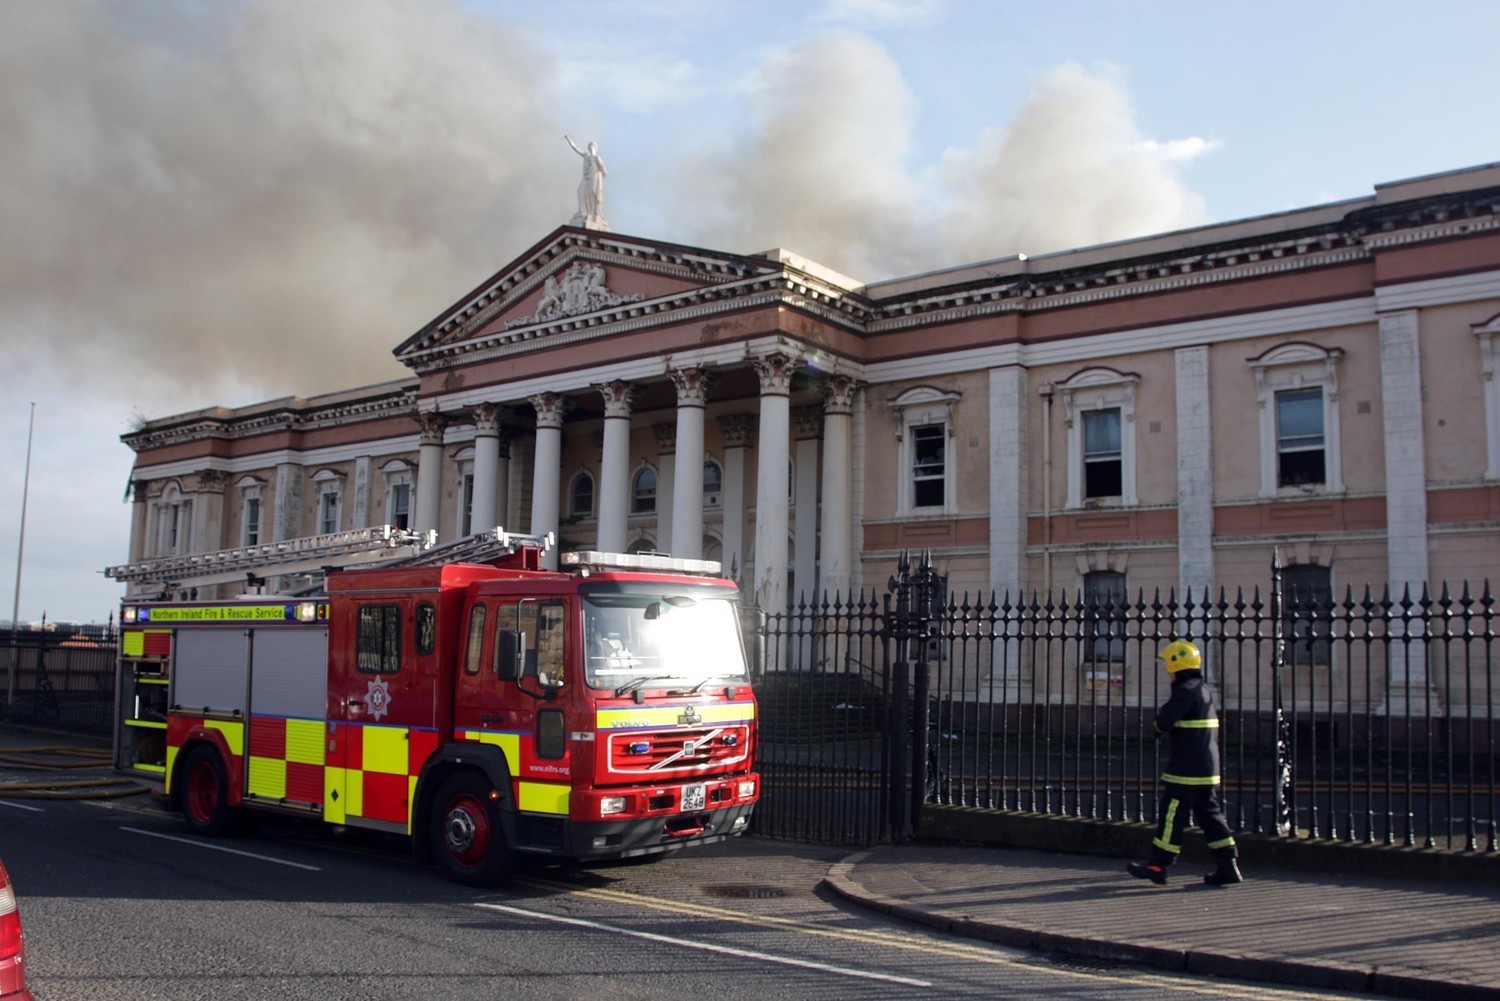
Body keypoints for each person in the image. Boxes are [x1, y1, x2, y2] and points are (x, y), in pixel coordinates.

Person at [1127, 639, 1244, 887]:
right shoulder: (1202, 689)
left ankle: (1158, 865)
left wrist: (1158, 723)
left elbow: (1165, 720)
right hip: (1206, 768)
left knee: (1172, 815)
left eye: (1169, 666)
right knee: (1210, 815)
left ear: (1176, 664)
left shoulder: (1185, 690)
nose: (1168, 672)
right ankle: (1228, 864)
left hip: (1187, 769)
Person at [565, 135, 606, 223]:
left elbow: (602, 166)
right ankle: (583, 211)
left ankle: (592, 213)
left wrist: (604, 172)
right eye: (589, 146)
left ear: (595, 147)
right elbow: (575, 148)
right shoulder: (586, 155)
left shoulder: (597, 157)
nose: (590, 147)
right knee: (580, 191)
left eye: (592, 145)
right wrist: (568, 139)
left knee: (592, 195)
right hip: (586, 178)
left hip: (593, 178)